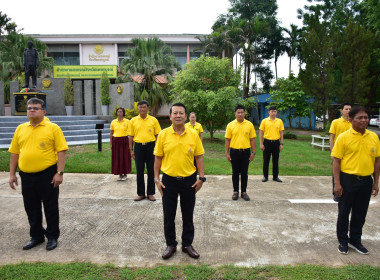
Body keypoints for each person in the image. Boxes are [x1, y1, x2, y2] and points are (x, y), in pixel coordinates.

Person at [8, 98, 68, 251]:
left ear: (44, 111)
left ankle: (52, 236)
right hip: (26, 175)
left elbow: (61, 151)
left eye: (35, 108)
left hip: (47, 174)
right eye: (29, 108)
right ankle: (36, 236)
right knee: (31, 207)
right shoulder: (20, 129)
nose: (31, 110)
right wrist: (12, 174)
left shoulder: (52, 128)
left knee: (50, 207)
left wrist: (59, 173)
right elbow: (14, 153)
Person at [154, 103, 205, 260]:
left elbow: (199, 157)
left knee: (188, 214)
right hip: (168, 181)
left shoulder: (193, 134)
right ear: (170, 116)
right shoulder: (163, 135)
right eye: (175, 113)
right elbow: (158, 157)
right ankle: (170, 244)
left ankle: (187, 244)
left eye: (181, 113)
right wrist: (156, 179)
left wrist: (201, 178)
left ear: (186, 116)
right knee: (169, 215)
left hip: (189, 180)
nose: (178, 115)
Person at [332, 106, 379, 255]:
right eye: (360, 118)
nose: (364, 120)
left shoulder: (374, 136)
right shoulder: (344, 137)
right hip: (348, 180)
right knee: (344, 212)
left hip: (366, 181)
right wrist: (337, 183)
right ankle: (343, 242)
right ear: (351, 120)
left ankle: (355, 240)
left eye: (366, 117)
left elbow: (377, 160)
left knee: (360, 213)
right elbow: (336, 161)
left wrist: (376, 182)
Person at [129, 100, 161, 201]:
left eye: (144, 107)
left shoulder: (153, 120)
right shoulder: (133, 121)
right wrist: (131, 150)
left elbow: (158, 135)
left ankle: (151, 193)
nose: (142, 109)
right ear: (137, 108)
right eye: (140, 107)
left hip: (151, 147)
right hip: (138, 147)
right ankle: (141, 193)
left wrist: (158, 148)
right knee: (139, 170)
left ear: (148, 108)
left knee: (152, 170)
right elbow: (130, 136)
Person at [225, 105, 256, 201]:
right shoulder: (230, 125)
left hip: (246, 152)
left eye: (242, 112)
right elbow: (227, 140)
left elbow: (252, 140)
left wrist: (253, 152)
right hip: (234, 152)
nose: (240, 114)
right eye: (238, 112)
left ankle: (244, 192)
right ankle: (235, 191)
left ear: (244, 113)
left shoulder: (249, 125)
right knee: (235, 173)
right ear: (235, 113)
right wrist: (227, 153)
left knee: (244, 173)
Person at [329, 103, 352, 202]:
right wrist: (332, 151)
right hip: (338, 151)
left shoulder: (353, 122)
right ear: (341, 110)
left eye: (350, 109)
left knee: (348, 172)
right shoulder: (336, 122)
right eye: (346, 109)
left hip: (350, 152)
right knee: (336, 172)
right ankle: (336, 193)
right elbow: (332, 137)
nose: (348, 111)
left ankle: (348, 191)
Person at [259, 106, 284, 183]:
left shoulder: (279, 121)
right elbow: (261, 132)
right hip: (267, 142)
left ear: (276, 112)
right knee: (266, 160)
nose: (273, 113)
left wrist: (281, 143)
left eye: (275, 111)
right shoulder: (264, 121)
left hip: (276, 142)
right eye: (272, 111)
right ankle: (265, 176)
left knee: (275, 160)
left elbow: (281, 133)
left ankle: (275, 177)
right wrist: (261, 143)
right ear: (268, 112)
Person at [110, 107, 131, 181]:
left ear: (123, 113)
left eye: (121, 112)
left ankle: (125, 174)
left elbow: (130, 133)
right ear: (116, 113)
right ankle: (120, 174)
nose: (119, 113)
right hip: (116, 141)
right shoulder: (113, 122)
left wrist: (130, 144)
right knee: (117, 157)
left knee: (124, 157)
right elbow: (111, 133)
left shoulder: (127, 121)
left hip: (124, 141)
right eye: (118, 112)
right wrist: (111, 143)